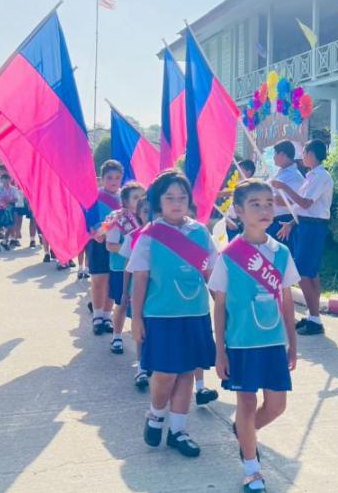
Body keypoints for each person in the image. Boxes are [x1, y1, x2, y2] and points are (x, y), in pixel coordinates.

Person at [211, 179, 299, 492]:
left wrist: (293, 343)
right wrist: (220, 351)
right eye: (255, 204)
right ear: (238, 210)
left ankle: (244, 432)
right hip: (241, 343)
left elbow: (287, 301)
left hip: (273, 342)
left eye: (268, 203)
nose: (264, 209)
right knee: (246, 404)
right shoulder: (229, 255)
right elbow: (219, 305)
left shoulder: (281, 253)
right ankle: (252, 469)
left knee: (276, 406)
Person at [128, 169, 218, 459]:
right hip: (161, 316)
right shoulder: (149, 236)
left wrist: (226, 308)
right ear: (158, 202)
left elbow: (211, 274)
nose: (177, 203)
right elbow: (140, 279)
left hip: (195, 313)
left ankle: (178, 431)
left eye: (182, 197)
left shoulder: (200, 232)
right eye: (170, 198)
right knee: (165, 373)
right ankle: (156, 414)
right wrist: (137, 319)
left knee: (186, 372)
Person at [270, 138, 333, 336]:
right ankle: (313, 316)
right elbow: (301, 208)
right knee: (310, 273)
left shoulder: (321, 176)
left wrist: (284, 187)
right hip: (304, 225)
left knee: (304, 272)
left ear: (312, 154)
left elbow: (305, 203)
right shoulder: (311, 176)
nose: (303, 156)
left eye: (305, 152)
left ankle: (315, 318)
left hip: (313, 227)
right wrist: (291, 223)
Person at [105, 182, 145, 355]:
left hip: (141, 270)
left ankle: (142, 339)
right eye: (136, 197)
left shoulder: (147, 217)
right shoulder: (118, 219)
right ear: (126, 201)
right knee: (122, 303)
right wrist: (131, 249)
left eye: (142, 196)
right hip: (121, 268)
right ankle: (117, 336)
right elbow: (110, 245)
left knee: (141, 304)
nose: (140, 200)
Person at [88, 160, 124, 335]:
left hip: (116, 245)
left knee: (111, 281)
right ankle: (97, 317)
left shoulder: (124, 197)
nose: (113, 181)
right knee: (98, 281)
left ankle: (107, 316)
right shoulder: (94, 196)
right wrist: (95, 231)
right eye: (109, 177)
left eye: (117, 177)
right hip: (98, 242)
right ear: (102, 179)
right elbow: (88, 217)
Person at [120, 195, 151, 389]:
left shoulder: (166, 236)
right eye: (146, 211)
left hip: (157, 293)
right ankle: (140, 367)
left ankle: (152, 363)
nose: (150, 215)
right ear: (138, 214)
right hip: (138, 292)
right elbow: (128, 268)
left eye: (153, 211)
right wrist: (125, 292)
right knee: (140, 329)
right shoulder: (134, 236)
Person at [267, 140, 305, 247]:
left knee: (279, 254)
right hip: (271, 221)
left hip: (284, 222)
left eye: (275, 154)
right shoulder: (278, 173)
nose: (273, 157)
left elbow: (289, 202)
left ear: (282, 154)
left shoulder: (294, 176)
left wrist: (265, 197)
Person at [225, 160, 256, 242]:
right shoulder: (234, 183)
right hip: (231, 222)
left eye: (240, 168)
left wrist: (217, 194)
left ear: (248, 172)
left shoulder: (252, 185)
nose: (236, 171)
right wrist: (228, 218)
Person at [0, 173, 17, 251]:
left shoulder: (14, 189)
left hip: (9, 209)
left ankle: (5, 241)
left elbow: (16, 199)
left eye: (7, 179)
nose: (6, 181)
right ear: (1, 180)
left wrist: (9, 201)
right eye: (4, 179)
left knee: (10, 226)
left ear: (10, 180)